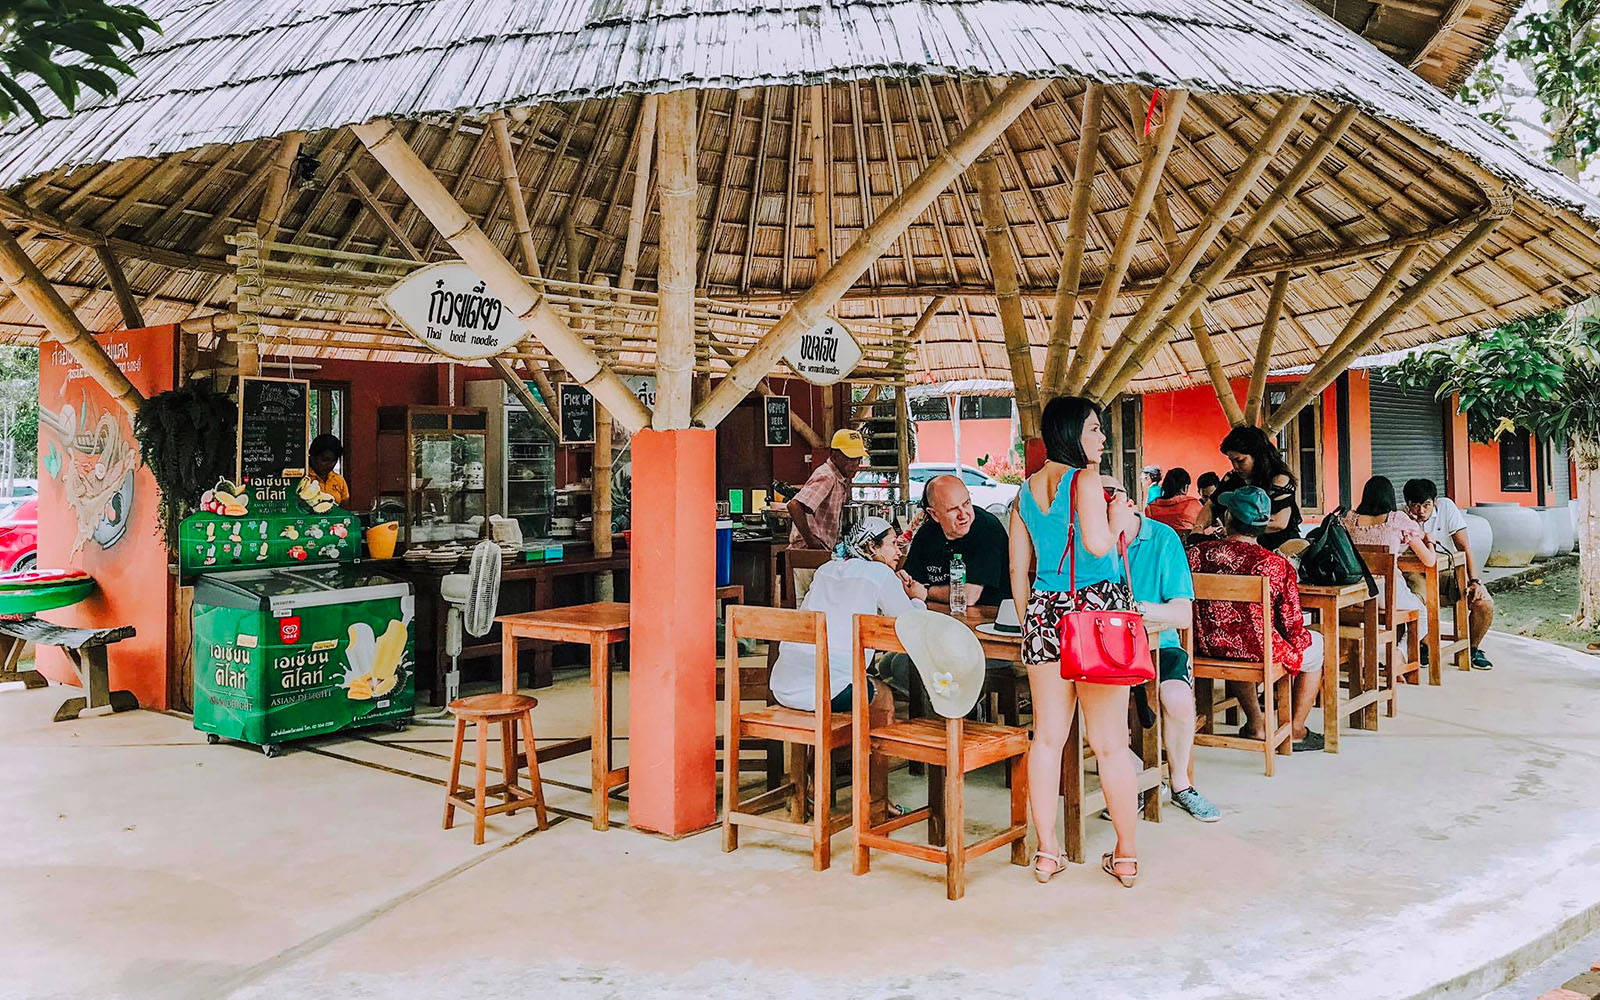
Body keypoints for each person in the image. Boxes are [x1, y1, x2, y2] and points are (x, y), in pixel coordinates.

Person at [1009, 396, 1144, 887]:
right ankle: (1125, 856)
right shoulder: (1084, 481)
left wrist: (1032, 623)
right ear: (1070, 433)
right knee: (1110, 744)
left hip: (1045, 612)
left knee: (1047, 738)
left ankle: (1047, 853)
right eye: (1093, 429)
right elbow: (1097, 544)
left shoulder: (1024, 492)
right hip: (1096, 614)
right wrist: (1124, 520)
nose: (1102, 438)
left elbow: (1016, 570)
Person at [769, 516, 922, 822]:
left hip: (785, 684)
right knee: (882, 698)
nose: (897, 551)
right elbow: (910, 623)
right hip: (828, 688)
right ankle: (876, 800)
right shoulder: (879, 574)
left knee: (843, 689)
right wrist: (917, 598)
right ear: (871, 546)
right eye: (892, 544)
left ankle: (809, 785)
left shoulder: (826, 569)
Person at [1110, 475, 1220, 822]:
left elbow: (1182, 614)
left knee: (1176, 699)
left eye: (1109, 499)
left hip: (1161, 644)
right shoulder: (1089, 545)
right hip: (1107, 649)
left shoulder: (1162, 539)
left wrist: (1141, 610)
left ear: (1129, 503)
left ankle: (1181, 785)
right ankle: (1141, 776)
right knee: (1077, 705)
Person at [1189, 486, 1326, 751]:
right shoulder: (1273, 564)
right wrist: (1296, 646)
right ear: (1263, 525)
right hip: (1257, 651)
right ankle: (1296, 729)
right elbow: (1292, 624)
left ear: (1228, 518)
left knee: (1238, 640)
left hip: (1206, 646)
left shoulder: (1196, 554)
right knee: (1316, 646)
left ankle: (1255, 722)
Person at [1403, 478, 1495, 669]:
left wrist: (1475, 581)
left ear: (1435, 502)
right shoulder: (1400, 516)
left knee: (1484, 604)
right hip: (1415, 575)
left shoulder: (1447, 507)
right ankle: (1425, 645)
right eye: (1415, 506)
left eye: (1426, 505)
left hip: (1448, 571)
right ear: (1407, 504)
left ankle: (1472, 649)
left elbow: (1464, 546)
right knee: (1417, 602)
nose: (1420, 511)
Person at [1342, 476, 1434, 649]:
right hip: (1386, 594)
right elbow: (1429, 561)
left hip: (1355, 593)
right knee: (1422, 613)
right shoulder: (1397, 519)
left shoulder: (1350, 519)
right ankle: (1400, 654)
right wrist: (1430, 541)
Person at [903, 475, 1010, 606]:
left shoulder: (986, 528)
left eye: (966, 503)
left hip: (988, 618)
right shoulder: (927, 532)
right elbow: (908, 581)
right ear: (934, 514)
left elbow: (969, 596)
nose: (963, 515)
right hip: (938, 616)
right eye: (953, 509)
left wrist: (926, 592)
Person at [1194, 426, 1301, 551]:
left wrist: (1237, 532)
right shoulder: (1232, 478)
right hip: (1246, 546)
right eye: (1232, 461)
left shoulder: (1279, 479)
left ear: (1257, 456)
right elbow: (1212, 505)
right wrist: (1198, 528)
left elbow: (1279, 523)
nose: (1235, 467)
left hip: (1279, 548)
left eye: (1240, 461)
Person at [788, 428, 866, 551]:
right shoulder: (827, 476)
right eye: (850, 458)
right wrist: (811, 541)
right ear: (834, 455)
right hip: (807, 552)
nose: (855, 464)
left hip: (823, 549)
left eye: (858, 459)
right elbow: (794, 506)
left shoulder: (840, 478)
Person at [1144, 467, 1203, 534]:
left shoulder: (1150, 508)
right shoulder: (1192, 504)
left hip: (1160, 543)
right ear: (1184, 488)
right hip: (1185, 544)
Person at [307, 434, 350, 506]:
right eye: (325, 460)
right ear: (312, 457)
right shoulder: (304, 479)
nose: (330, 465)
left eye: (334, 460)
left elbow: (343, 509)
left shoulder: (339, 480)